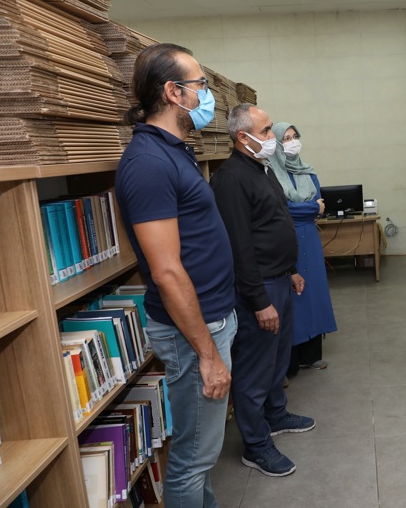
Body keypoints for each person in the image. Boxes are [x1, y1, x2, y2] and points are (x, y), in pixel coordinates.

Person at [115, 43, 237, 507]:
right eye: (200, 85)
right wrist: (207, 354)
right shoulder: (148, 163)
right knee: (192, 458)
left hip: (209, 321)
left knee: (201, 454)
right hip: (193, 332)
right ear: (173, 92)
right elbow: (166, 272)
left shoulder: (173, 151)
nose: (206, 96)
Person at [210, 103, 315, 478]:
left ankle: (276, 414)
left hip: (280, 279)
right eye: (267, 130)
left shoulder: (262, 168)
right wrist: (259, 301)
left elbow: (274, 221)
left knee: (277, 358)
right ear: (243, 137)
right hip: (259, 289)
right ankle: (256, 445)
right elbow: (239, 247)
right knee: (255, 369)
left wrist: (291, 271)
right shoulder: (230, 179)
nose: (273, 137)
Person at [269, 122, 338, 377]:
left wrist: (308, 209)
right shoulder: (270, 173)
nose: (292, 142)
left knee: (313, 294)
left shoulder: (308, 171)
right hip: (286, 238)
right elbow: (281, 209)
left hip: (310, 238)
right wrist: (311, 207)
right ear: (277, 143)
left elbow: (320, 206)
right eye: (286, 138)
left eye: (295, 136)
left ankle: (312, 355)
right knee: (293, 297)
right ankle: (291, 361)